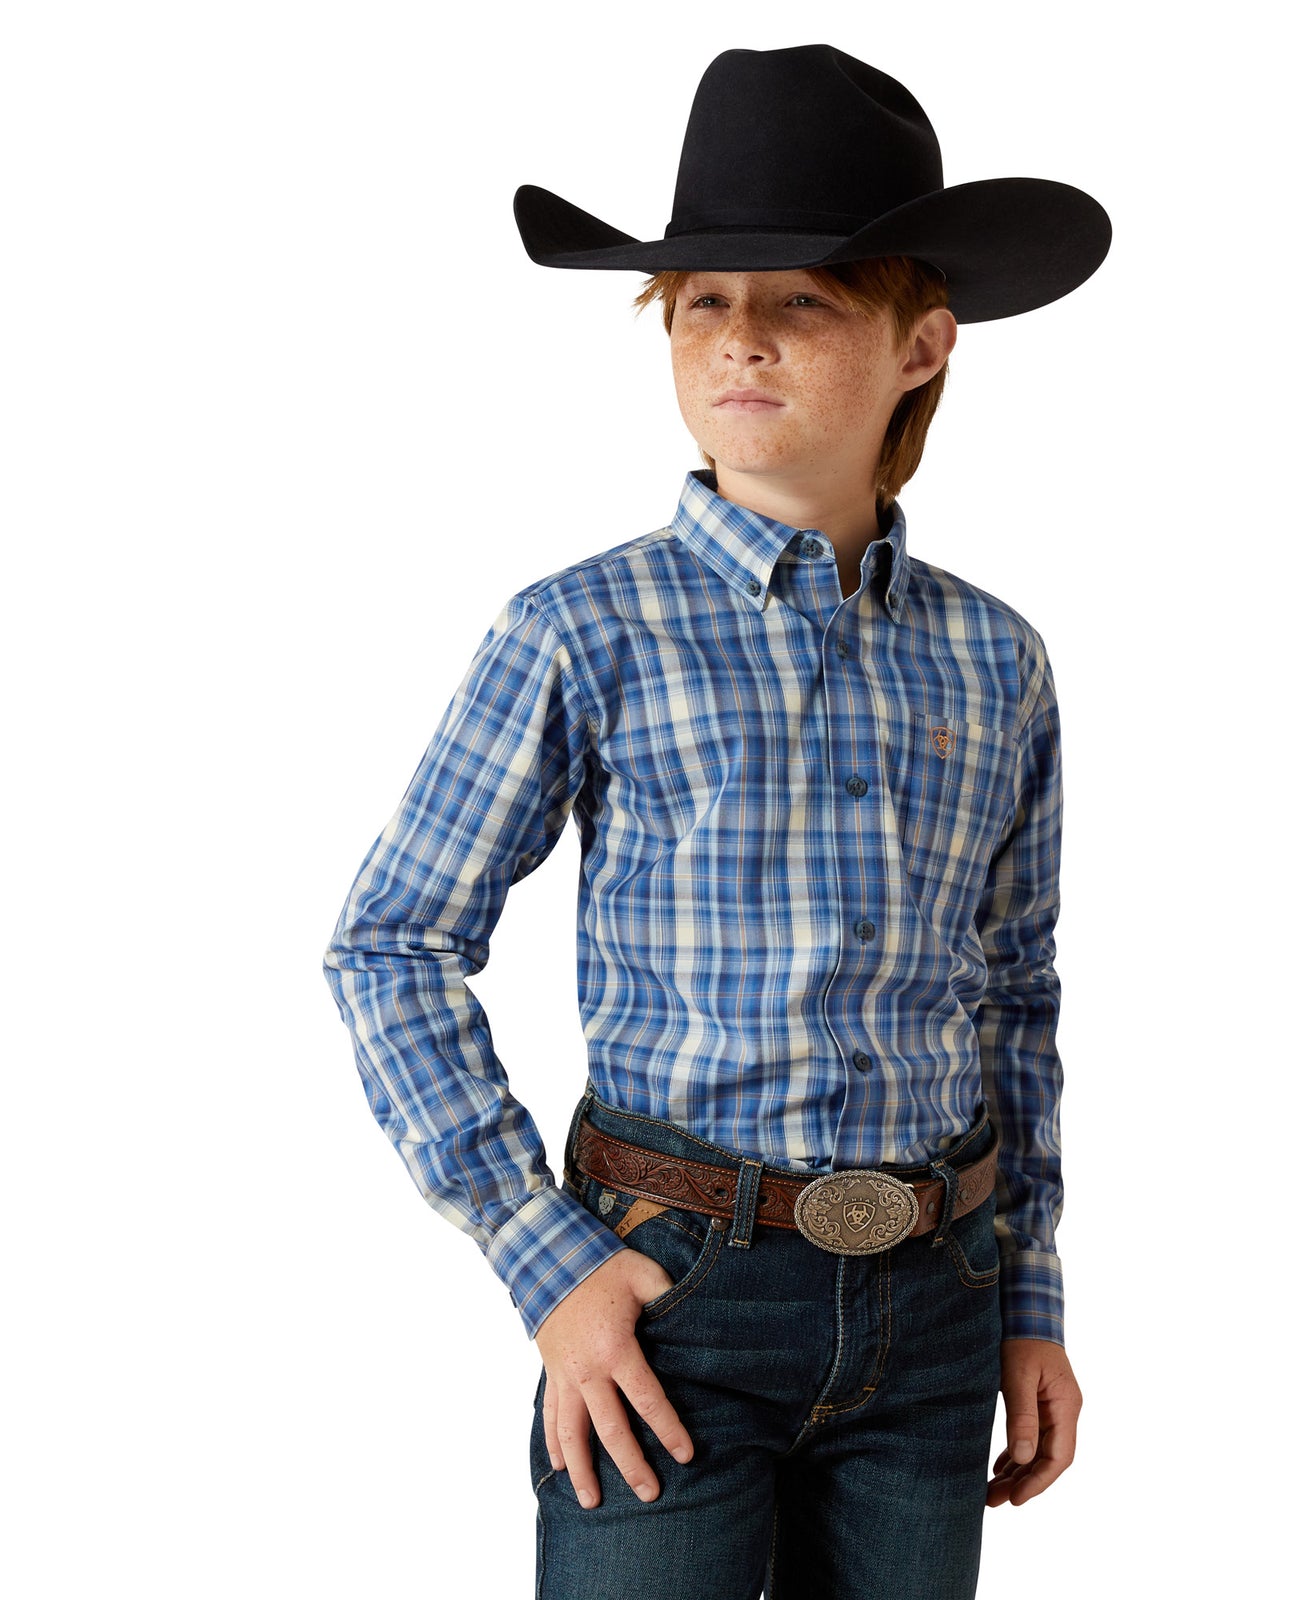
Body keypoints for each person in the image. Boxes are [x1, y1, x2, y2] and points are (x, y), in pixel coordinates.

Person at [323, 42, 1111, 1600]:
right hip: (672, 1293)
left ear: (922, 344)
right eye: (701, 302)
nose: (739, 338)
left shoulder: (995, 657)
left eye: (803, 300)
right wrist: (548, 1268)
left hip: (937, 1297)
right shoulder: (582, 630)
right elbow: (391, 944)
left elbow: (1014, 997)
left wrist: (1031, 1299)